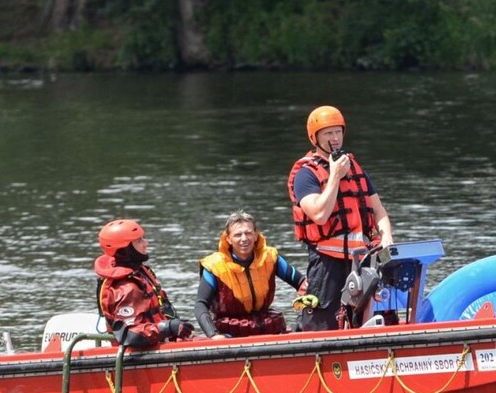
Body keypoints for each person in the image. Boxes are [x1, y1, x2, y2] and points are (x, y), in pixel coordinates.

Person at [287, 105, 394, 331]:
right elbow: (319, 214)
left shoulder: (355, 168)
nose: (335, 138)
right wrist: (334, 175)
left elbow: (379, 211)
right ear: (314, 138)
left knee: (372, 313)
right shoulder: (305, 174)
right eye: (328, 133)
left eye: (338, 132)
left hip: (361, 260)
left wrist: (387, 237)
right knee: (322, 321)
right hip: (327, 264)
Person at [194, 211, 310, 339]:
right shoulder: (214, 266)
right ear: (228, 239)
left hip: (268, 330)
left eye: (248, 233)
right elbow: (200, 304)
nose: (244, 239)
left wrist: (303, 319)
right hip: (229, 334)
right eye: (238, 235)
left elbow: (303, 285)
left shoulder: (270, 258)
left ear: (256, 235)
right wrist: (214, 335)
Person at [93, 219, 194, 348]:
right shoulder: (127, 288)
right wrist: (166, 328)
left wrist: (174, 327)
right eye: (139, 241)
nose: (146, 243)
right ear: (125, 249)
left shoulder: (140, 273)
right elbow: (131, 334)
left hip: (158, 344)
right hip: (139, 354)